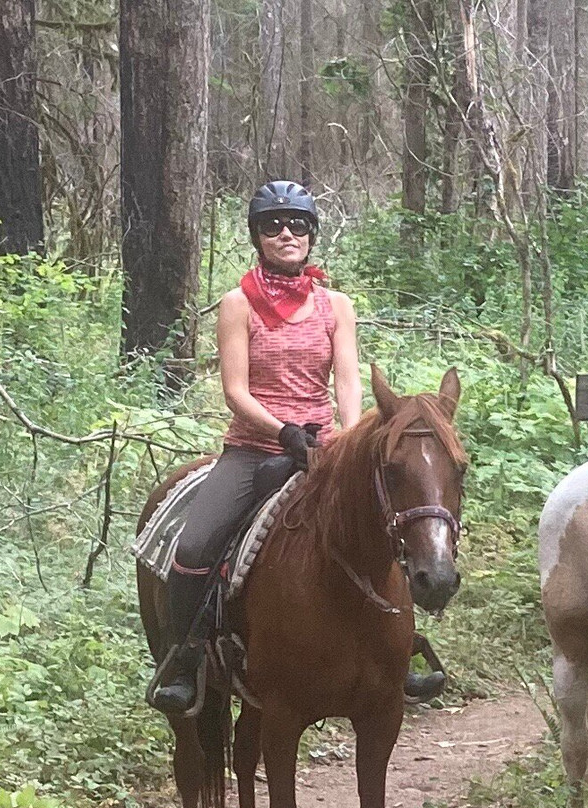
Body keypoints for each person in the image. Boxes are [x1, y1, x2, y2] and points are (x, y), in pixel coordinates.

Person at [149, 180, 362, 713]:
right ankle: (186, 657)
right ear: (257, 236)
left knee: (391, 522)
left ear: (312, 235)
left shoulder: (336, 304)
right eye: (273, 225)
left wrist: (350, 440)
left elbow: (348, 382)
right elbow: (235, 392)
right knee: (195, 546)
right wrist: (284, 432)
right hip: (253, 449)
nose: (286, 234)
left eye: (297, 225)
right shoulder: (237, 303)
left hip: (323, 448)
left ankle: (398, 650)